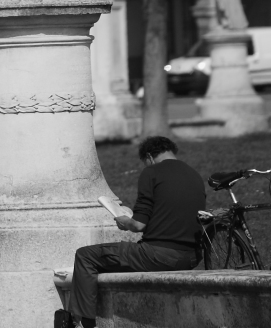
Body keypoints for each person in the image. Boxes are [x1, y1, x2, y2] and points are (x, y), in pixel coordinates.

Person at [66, 136, 204, 328]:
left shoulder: (152, 172)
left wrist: (125, 221)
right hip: (191, 257)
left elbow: (138, 225)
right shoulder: (194, 174)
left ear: (149, 156)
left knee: (85, 255)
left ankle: (83, 322)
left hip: (158, 256)